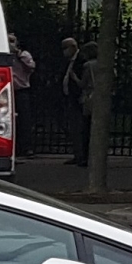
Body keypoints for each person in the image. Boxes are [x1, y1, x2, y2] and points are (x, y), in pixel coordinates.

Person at [59, 35, 94, 168]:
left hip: (79, 98)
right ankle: (78, 154)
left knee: (80, 127)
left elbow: (82, 81)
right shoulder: (70, 61)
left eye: (65, 48)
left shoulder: (82, 60)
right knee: (74, 127)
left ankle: (81, 155)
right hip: (70, 97)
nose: (64, 51)